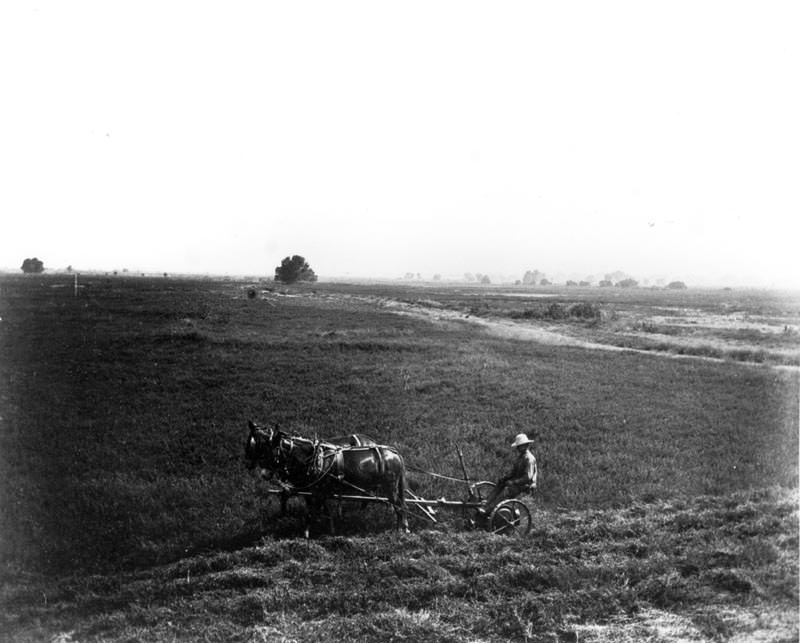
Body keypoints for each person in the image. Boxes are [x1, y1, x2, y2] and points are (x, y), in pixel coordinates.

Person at [479, 433, 537, 517]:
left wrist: (513, 482)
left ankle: (488, 510)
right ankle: (486, 503)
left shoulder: (529, 459)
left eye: (521, 446)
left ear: (526, 445)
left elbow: (527, 477)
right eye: (519, 446)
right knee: (501, 484)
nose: (519, 448)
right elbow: (513, 472)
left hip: (525, 486)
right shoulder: (520, 457)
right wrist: (505, 479)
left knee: (507, 490)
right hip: (518, 483)